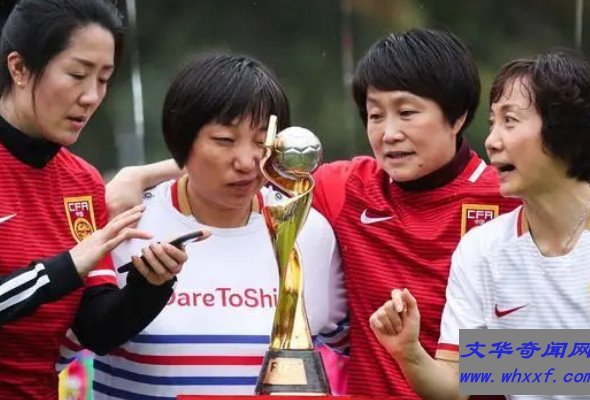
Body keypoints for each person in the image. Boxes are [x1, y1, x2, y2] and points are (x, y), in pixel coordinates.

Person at [106, 29, 520, 397]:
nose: (389, 133)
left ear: (458, 116)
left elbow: (559, 359)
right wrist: (140, 174)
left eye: (407, 112)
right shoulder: (347, 189)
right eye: (375, 115)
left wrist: (445, 365)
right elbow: (250, 165)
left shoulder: (511, 201)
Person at [92, 53, 348, 399]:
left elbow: (367, 350)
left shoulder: (309, 231)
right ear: (182, 138)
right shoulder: (127, 222)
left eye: (262, 142)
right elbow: (56, 349)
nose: (246, 162)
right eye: (225, 140)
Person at [370, 50, 590, 399]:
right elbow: (456, 384)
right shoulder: (481, 249)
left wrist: (498, 364)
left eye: (510, 121)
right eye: (493, 122)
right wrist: (411, 353)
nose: (491, 141)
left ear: (565, 130)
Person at [0, 1, 193, 398]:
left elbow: (97, 331)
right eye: (77, 75)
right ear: (18, 68)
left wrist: (150, 284)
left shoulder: (81, 181)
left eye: (104, 79)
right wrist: (64, 267)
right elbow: (67, 270)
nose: (91, 96)